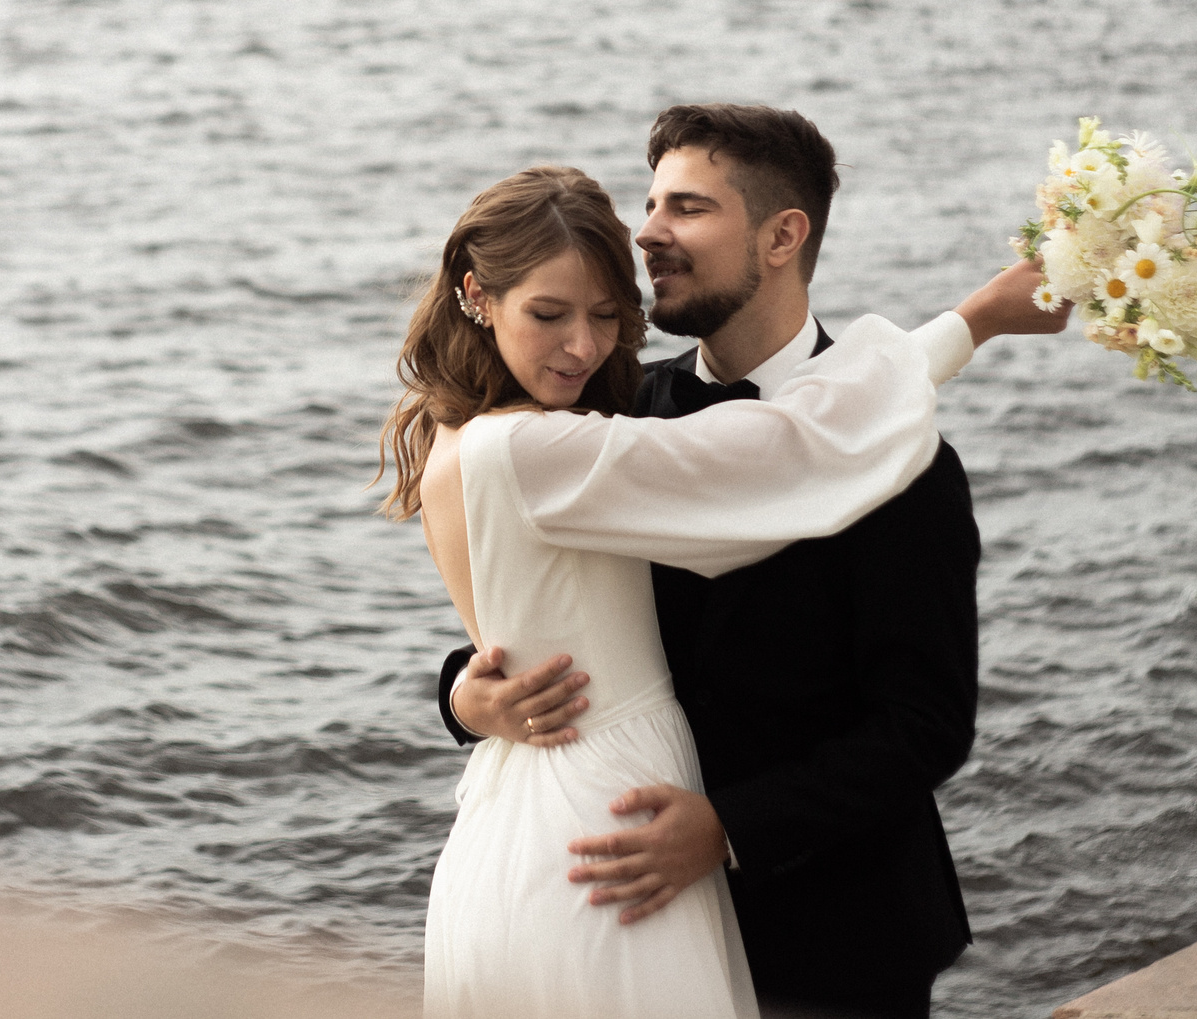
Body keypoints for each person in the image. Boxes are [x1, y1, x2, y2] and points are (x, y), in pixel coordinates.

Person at [385, 148, 1060, 1019]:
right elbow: (790, 447)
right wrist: (978, 318)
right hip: (604, 839)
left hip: (831, 926)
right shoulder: (578, 431)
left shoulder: (562, 417)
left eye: (603, 312)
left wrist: (732, 825)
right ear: (478, 295)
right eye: (549, 313)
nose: (584, 343)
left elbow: (926, 723)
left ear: (784, 235)